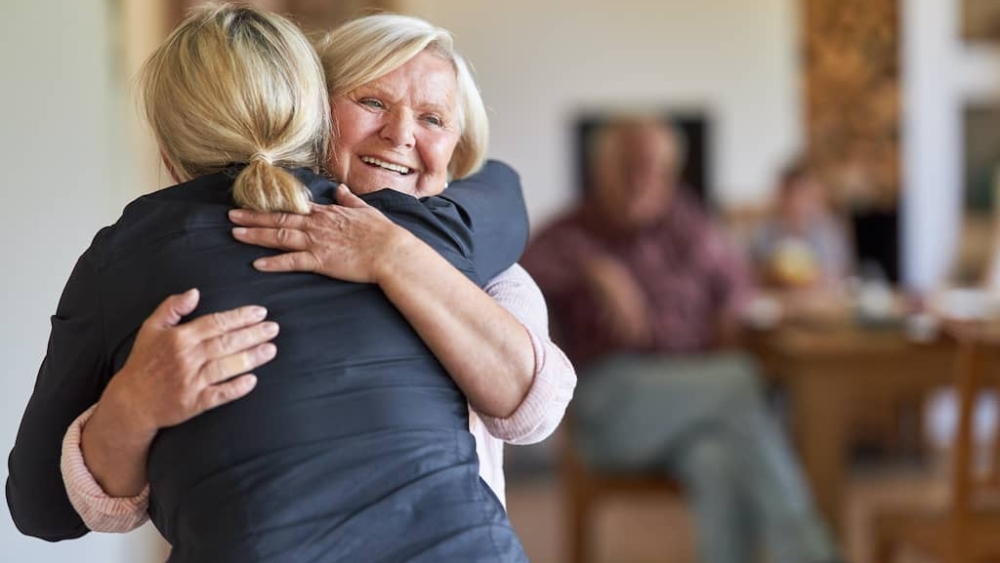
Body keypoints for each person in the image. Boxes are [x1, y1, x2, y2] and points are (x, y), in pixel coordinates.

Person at [9, 6, 575, 561]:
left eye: (433, 119)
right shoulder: (446, 229)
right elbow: (506, 191)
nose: (401, 133)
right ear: (314, 115)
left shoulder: (448, 243)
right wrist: (131, 408)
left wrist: (394, 255)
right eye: (372, 101)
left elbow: (534, 411)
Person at [523, 117, 840, 563]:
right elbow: (517, 274)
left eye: (653, 169)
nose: (640, 181)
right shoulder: (571, 232)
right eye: (627, 167)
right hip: (611, 407)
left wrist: (745, 307)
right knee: (740, 380)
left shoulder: (689, 224)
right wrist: (595, 268)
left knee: (716, 460)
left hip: (694, 401)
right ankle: (811, 555)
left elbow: (740, 289)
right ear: (600, 169)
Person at [751, 160, 852, 291]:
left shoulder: (828, 232)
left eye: (802, 194)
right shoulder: (764, 234)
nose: (796, 202)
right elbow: (752, 275)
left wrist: (814, 279)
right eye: (790, 195)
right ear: (780, 197)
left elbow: (840, 274)